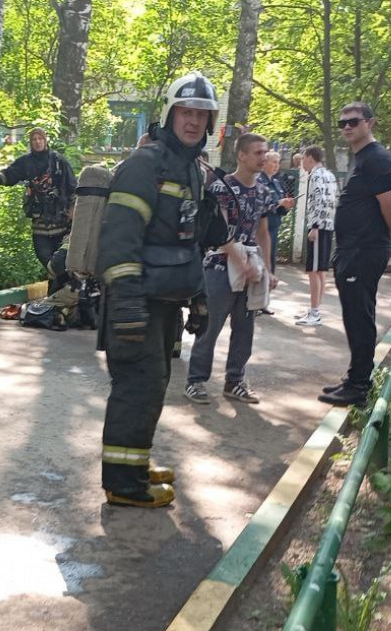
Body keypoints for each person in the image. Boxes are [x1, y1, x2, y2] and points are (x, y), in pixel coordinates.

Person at [96, 71, 226, 508]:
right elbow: (119, 238)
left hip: (164, 300)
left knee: (153, 384)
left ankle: (133, 465)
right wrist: (128, 302)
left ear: (210, 122)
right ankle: (123, 485)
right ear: (170, 114)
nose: (192, 121)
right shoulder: (145, 164)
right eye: (186, 112)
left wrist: (200, 295)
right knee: (137, 385)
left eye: (201, 114)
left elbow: (187, 242)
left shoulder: (190, 168)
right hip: (137, 300)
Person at [318, 103, 391, 407]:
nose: (346, 127)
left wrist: (387, 237)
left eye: (353, 122)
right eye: (342, 123)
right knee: (354, 316)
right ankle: (354, 377)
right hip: (354, 250)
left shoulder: (377, 160)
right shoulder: (362, 159)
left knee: (359, 318)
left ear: (370, 123)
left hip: (362, 251)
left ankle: (358, 386)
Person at [184, 133, 279, 407]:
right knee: (210, 325)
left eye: (265, 152)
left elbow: (262, 232)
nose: (264, 158)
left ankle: (234, 380)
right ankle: (196, 380)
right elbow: (220, 233)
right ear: (242, 155)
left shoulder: (263, 191)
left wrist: (267, 268)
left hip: (251, 267)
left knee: (245, 327)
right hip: (219, 265)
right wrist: (241, 264)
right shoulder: (222, 188)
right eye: (258, 153)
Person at [0, 127, 77, 288]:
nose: (37, 142)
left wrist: (73, 209)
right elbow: (11, 174)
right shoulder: (26, 161)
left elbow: (72, 186)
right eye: (34, 139)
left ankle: (56, 298)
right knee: (45, 258)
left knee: (59, 262)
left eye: (40, 139)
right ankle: (60, 290)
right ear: (31, 142)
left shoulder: (59, 161)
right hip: (39, 222)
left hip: (61, 221)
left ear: (45, 141)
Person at [295, 146, 339, 326]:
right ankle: (315, 308)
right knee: (320, 270)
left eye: (303, 158)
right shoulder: (329, 175)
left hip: (318, 227)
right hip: (327, 226)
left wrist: (314, 227)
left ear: (310, 158)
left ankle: (314, 313)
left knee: (313, 270)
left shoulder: (316, 175)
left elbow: (319, 201)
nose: (301, 163)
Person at [260, 151, 297, 280]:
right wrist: (278, 203)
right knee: (261, 260)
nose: (277, 166)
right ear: (264, 163)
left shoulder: (276, 182)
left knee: (270, 259)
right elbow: (261, 205)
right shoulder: (259, 181)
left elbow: (280, 207)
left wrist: (285, 206)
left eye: (278, 163)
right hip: (261, 229)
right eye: (274, 162)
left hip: (274, 228)